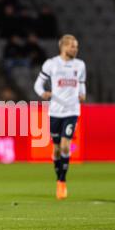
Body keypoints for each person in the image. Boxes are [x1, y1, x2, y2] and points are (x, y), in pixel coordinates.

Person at [34, 35, 86, 200]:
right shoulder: (51, 64)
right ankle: (58, 178)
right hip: (55, 111)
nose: (75, 49)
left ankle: (62, 182)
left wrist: (82, 94)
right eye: (72, 46)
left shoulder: (80, 65)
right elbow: (38, 84)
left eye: (76, 46)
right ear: (63, 47)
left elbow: (82, 83)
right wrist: (43, 93)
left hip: (72, 111)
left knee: (65, 146)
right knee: (56, 149)